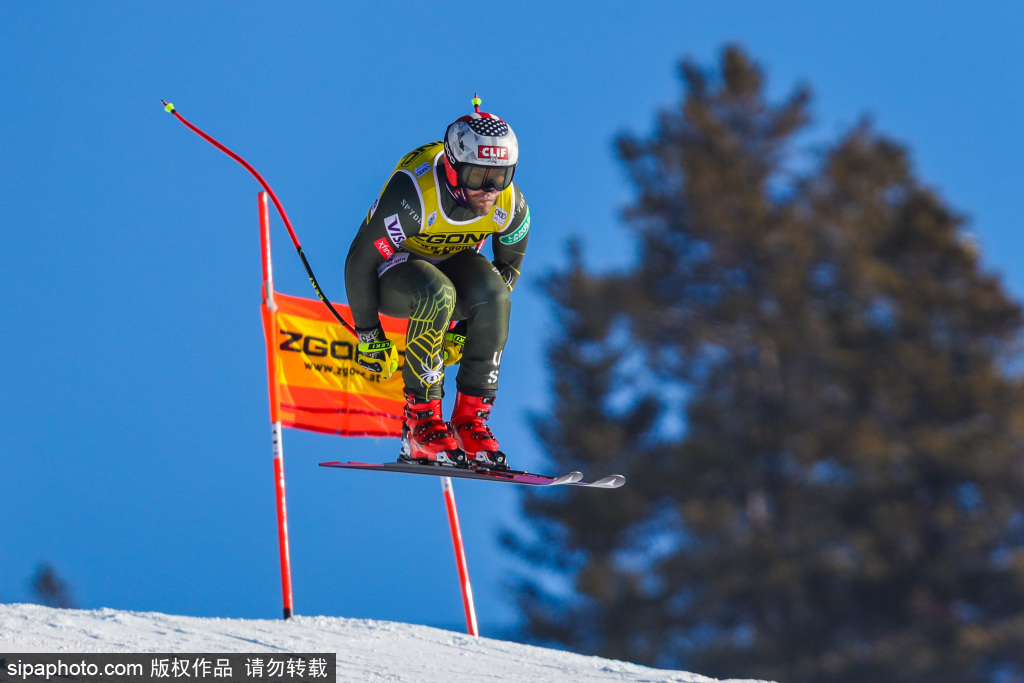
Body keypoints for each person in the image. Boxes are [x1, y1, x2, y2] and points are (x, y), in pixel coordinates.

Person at [345, 96, 530, 470]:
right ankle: (420, 423)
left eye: (501, 176)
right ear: (453, 166)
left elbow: (507, 270)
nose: (489, 189)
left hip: (452, 262)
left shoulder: (510, 206)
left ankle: (469, 421)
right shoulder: (414, 194)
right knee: (436, 292)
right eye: (478, 176)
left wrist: (463, 330)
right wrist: (369, 335)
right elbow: (359, 262)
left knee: (494, 294)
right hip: (393, 270)